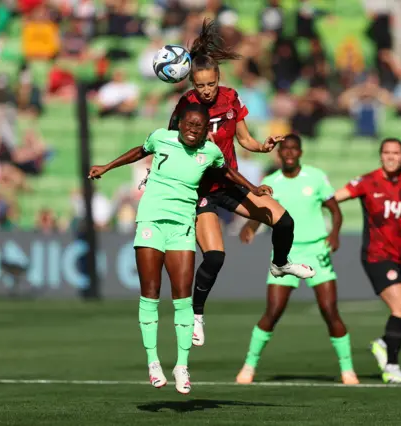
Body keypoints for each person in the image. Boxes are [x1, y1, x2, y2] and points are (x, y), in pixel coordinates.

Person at [88, 104, 272, 395]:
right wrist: (107, 167)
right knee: (149, 292)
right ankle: (153, 362)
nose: (193, 129)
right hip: (151, 221)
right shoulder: (161, 137)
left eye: (199, 127)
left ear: (204, 131)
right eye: (189, 124)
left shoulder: (210, 152)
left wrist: (254, 189)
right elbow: (139, 151)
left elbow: (228, 175)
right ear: (181, 123)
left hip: (182, 227)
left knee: (182, 296)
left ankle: (182, 366)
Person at [169, 20, 315, 347]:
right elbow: (171, 144)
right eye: (200, 85)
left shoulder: (231, 98)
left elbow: (244, 139)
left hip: (230, 184)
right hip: (200, 190)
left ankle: (280, 265)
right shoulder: (186, 106)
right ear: (192, 82)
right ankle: (196, 315)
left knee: (284, 221)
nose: (206, 90)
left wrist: (262, 146)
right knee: (216, 257)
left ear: (218, 79)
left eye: (211, 83)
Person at [235, 134, 360, 385]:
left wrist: (334, 233)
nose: (289, 153)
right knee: (273, 311)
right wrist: (250, 226)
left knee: (329, 310)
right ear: (279, 154)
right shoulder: (271, 182)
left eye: (294, 149)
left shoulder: (315, 177)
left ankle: (348, 370)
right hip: (284, 253)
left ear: (300, 152)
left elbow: (335, 210)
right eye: (285, 149)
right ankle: (249, 366)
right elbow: (261, 212)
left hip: (316, 250)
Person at [334, 138, 401, 384]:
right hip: (377, 256)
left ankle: (384, 342)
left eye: (396, 153)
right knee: (400, 307)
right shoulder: (367, 181)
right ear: (381, 156)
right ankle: (392, 367)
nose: (391, 157)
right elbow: (335, 197)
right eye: (387, 152)